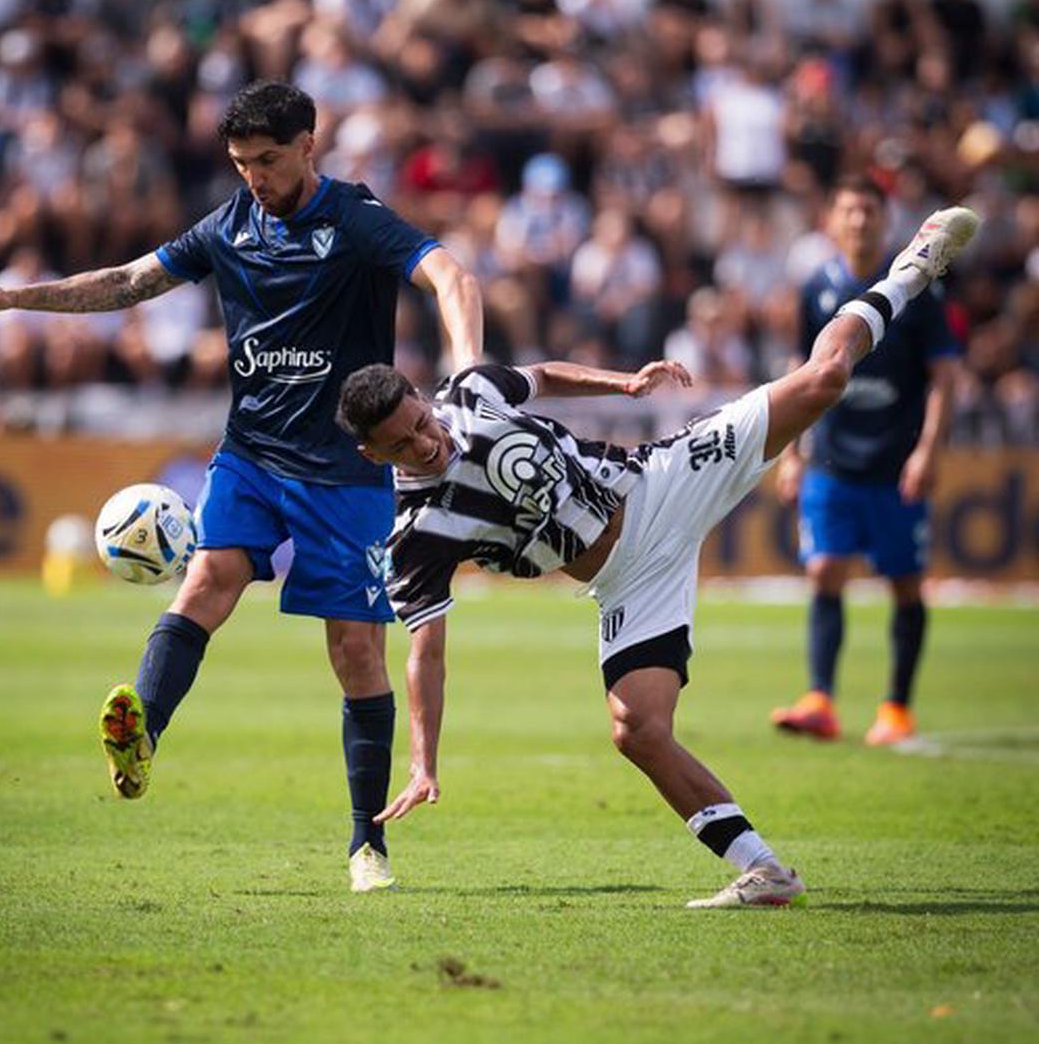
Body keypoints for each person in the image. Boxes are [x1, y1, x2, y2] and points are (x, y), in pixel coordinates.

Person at [335, 206, 979, 908]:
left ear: (422, 398)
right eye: (402, 445)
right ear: (373, 454)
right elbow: (425, 650)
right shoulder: (416, 534)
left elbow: (542, 375)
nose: (425, 442)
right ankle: (765, 870)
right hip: (626, 580)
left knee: (824, 378)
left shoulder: (473, 394)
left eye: (420, 422)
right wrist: (424, 761)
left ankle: (910, 270)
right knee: (636, 730)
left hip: (661, 482)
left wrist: (621, 383)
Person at [0, 79, 483, 892]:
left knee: (355, 651)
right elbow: (127, 282)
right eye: (240, 163)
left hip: (346, 467)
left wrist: (467, 368)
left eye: (266, 160)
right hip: (252, 454)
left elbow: (449, 275)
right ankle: (141, 732)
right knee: (206, 579)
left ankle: (368, 843)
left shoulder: (355, 219)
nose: (254, 178)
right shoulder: (229, 225)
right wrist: (18, 300)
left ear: (307, 146)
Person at [771, 175, 959, 746]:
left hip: (895, 460)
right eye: (848, 210)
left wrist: (928, 450)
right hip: (831, 458)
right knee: (824, 569)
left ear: (885, 218)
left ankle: (897, 709)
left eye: (868, 211)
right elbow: (802, 371)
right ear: (832, 219)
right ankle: (820, 698)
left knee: (904, 582)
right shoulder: (815, 287)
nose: (858, 221)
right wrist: (792, 451)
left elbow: (946, 378)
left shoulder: (916, 290)